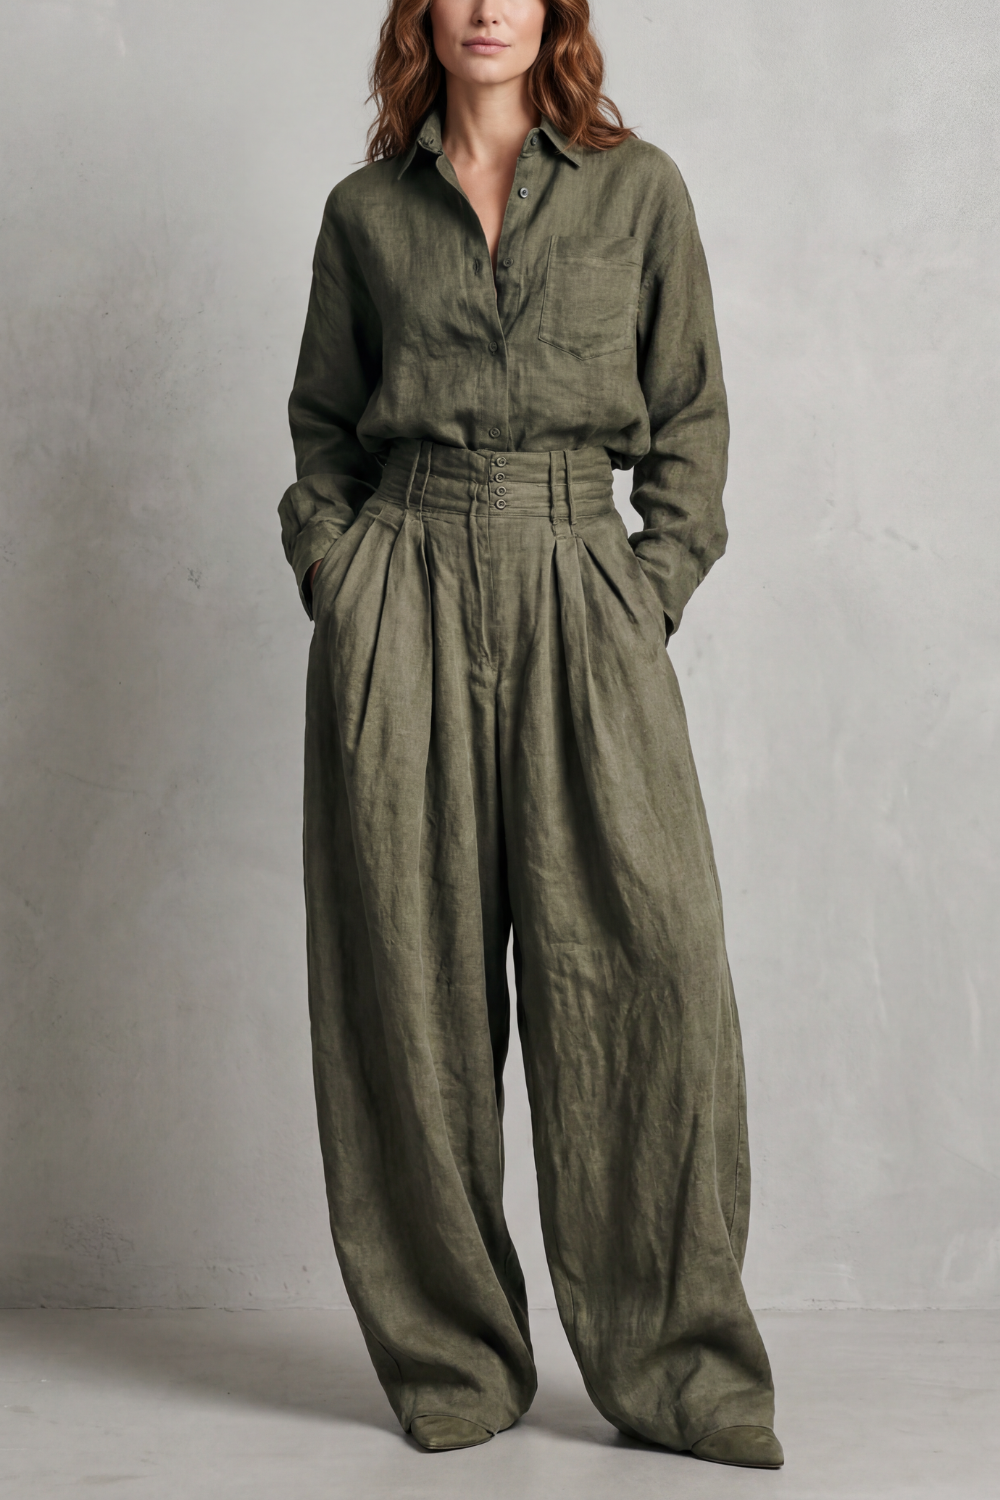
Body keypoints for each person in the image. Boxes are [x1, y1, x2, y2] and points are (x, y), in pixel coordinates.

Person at [278, 0, 782, 1468]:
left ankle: (680, 1371)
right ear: (421, 15)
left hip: (581, 583)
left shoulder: (639, 190)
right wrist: (343, 579)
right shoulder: (366, 213)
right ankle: (453, 1363)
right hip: (406, 587)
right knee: (406, 990)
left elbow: (690, 425)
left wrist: (644, 591)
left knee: (648, 969)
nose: (488, 6)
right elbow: (322, 426)